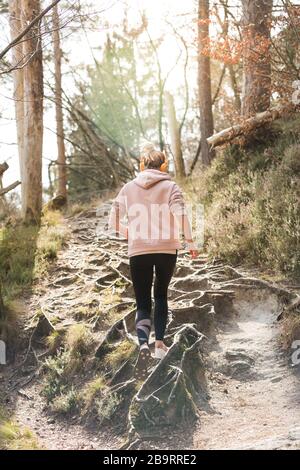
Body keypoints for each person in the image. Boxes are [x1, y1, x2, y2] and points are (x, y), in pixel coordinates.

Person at [108, 144, 198, 379]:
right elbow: (181, 215)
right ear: (164, 165)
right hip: (167, 249)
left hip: (139, 250)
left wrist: (130, 233)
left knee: (142, 302)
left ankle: (143, 344)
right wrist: (190, 242)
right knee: (160, 295)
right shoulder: (170, 187)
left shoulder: (128, 188)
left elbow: (113, 220)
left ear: (141, 165)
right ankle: (159, 344)